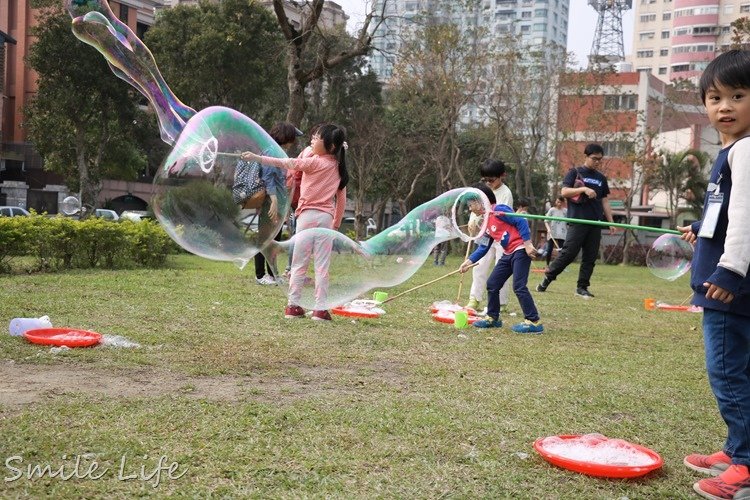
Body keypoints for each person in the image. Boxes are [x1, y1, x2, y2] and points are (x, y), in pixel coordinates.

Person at [677, 50, 750, 500]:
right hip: (731, 283)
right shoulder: (732, 151)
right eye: (714, 97)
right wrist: (702, 230)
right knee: (736, 370)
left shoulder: (744, 150)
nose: (724, 107)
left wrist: (728, 269)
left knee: (728, 372)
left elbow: (745, 218)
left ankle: (744, 465)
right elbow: (727, 215)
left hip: (727, 290)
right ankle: (737, 449)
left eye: (738, 96)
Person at [241, 123, 348, 321]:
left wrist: (257, 158)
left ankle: (293, 306)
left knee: (299, 263)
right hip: (325, 219)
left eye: (317, 138)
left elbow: (285, 162)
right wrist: (336, 224)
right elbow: (341, 198)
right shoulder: (336, 165)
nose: (312, 140)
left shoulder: (313, 162)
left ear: (330, 146)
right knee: (322, 266)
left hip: (306, 217)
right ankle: (320, 310)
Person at [459, 184, 543, 334]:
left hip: (520, 250)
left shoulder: (499, 210)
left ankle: (534, 321)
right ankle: (493, 318)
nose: (470, 209)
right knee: (492, 284)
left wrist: (528, 244)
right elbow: (484, 247)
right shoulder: (485, 222)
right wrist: (469, 261)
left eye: (471, 204)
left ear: (481, 201)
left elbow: (521, 221)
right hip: (508, 253)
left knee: (519, 286)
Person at [536, 143, 617, 298]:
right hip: (578, 220)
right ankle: (547, 278)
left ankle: (582, 287)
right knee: (568, 253)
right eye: (594, 159)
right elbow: (564, 191)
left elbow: (605, 201)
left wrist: (610, 221)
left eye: (600, 159)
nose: (597, 162)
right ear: (586, 156)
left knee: (590, 257)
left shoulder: (601, 178)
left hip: (595, 223)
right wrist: (583, 189)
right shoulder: (575, 172)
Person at [248, 122, 304, 285]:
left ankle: (273, 274)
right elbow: (268, 178)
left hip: (277, 202)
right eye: (293, 137)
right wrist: (273, 201)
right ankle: (260, 275)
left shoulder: (276, 151)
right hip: (270, 202)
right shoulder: (272, 151)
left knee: (273, 239)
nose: (294, 141)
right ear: (286, 136)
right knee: (265, 239)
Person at [466, 159, 514, 312]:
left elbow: (498, 214)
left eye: (491, 180)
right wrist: (472, 220)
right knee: (479, 266)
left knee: (501, 267)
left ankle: (500, 302)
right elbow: (476, 206)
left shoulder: (505, 193)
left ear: (502, 176)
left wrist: (481, 218)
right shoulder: (482, 190)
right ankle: (474, 298)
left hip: (501, 236)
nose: (488, 183)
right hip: (485, 233)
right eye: (485, 180)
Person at [543, 196, 568, 268]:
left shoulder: (565, 211)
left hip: (562, 233)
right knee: (549, 250)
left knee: (562, 251)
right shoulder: (552, 210)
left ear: (563, 202)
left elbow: (569, 222)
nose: (559, 203)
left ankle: (560, 266)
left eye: (560, 202)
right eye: (558, 202)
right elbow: (546, 221)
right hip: (552, 233)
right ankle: (547, 265)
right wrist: (548, 229)